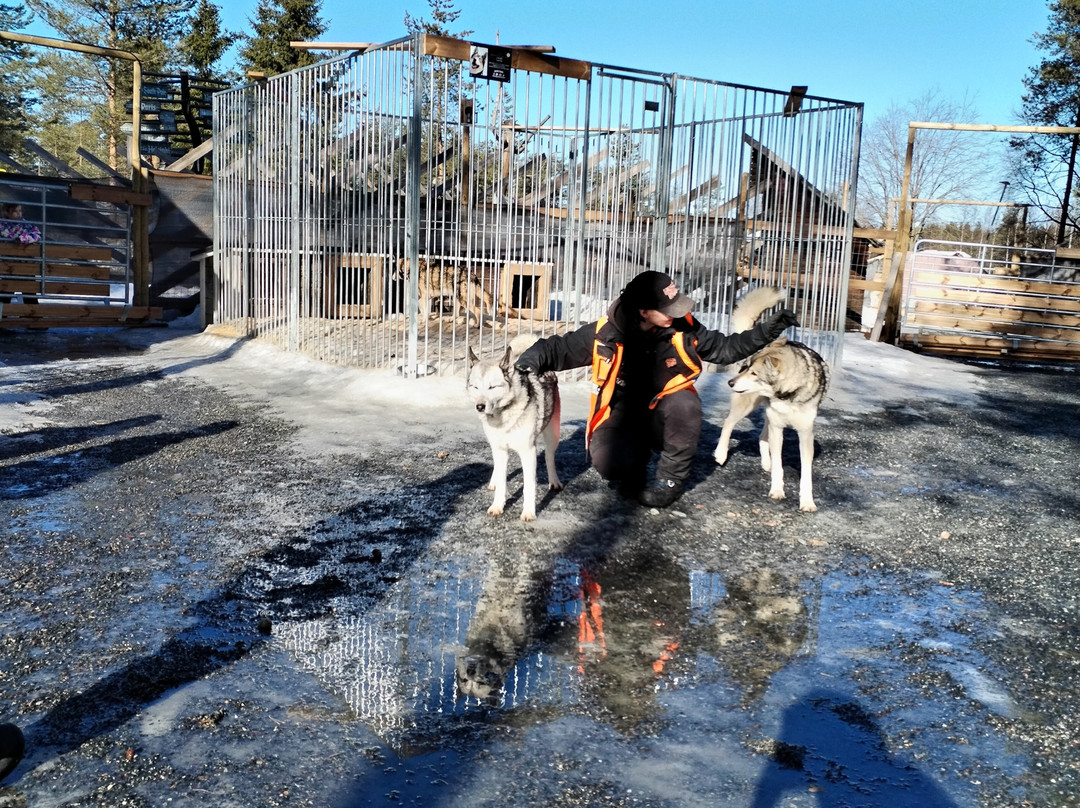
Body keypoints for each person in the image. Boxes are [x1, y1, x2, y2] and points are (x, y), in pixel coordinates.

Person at [514, 270, 798, 508]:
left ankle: (669, 483)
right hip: (622, 414)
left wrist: (771, 329)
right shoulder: (606, 334)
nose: (678, 314)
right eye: (668, 309)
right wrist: (525, 366)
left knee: (685, 405)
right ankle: (634, 457)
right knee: (610, 465)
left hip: (665, 411)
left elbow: (726, 349)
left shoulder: (684, 329)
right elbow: (556, 348)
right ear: (643, 312)